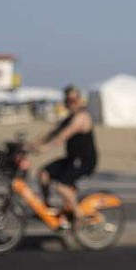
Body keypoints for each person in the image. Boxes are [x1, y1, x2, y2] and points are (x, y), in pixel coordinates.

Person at [30, 85, 97, 226]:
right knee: (43, 174)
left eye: (74, 100)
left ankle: (79, 216)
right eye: (68, 100)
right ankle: (47, 206)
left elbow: (64, 135)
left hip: (84, 160)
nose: (71, 103)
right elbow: (52, 132)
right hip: (71, 159)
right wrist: (33, 144)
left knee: (62, 186)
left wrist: (45, 148)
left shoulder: (82, 117)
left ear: (80, 100)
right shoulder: (69, 117)